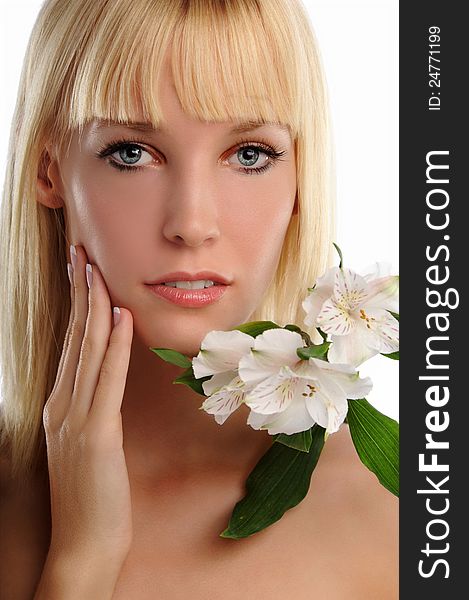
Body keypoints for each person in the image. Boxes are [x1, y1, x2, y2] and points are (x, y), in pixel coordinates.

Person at [0, 1, 398, 598]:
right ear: (48, 168)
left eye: (249, 155)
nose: (192, 223)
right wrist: (82, 559)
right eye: (131, 152)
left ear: (300, 180)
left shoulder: (400, 519)